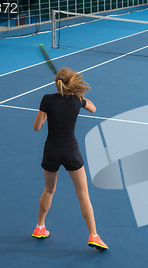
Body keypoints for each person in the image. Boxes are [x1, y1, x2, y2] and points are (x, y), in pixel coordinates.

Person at [32, 67, 108, 251]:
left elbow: (37, 127)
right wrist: (78, 95)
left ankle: (40, 227)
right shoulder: (77, 100)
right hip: (71, 152)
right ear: (72, 82)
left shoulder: (47, 99)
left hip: (51, 151)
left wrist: (47, 113)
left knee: (49, 190)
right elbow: (93, 108)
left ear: (56, 81)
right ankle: (94, 236)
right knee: (83, 194)